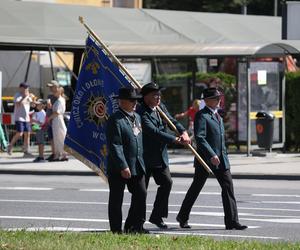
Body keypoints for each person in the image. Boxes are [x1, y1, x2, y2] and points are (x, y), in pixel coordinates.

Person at [176, 88, 247, 230]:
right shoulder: (202, 115)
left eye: (219, 97)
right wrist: (211, 154)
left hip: (221, 159)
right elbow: (200, 138)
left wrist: (223, 155)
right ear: (207, 101)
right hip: (206, 159)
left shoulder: (217, 115)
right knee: (196, 188)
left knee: (228, 187)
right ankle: (182, 216)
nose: (219, 100)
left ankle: (232, 221)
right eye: (216, 98)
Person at [138, 82, 190, 229]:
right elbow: (153, 131)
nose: (158, 97)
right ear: (146, 97)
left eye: (159, 94)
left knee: (167, 182)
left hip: (160, 156)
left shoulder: (160, 108)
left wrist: (183, 132)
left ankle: (157, 216)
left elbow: (171, 121)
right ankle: (138, 222)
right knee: (142, 190)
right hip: (145, 157)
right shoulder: (141, 112)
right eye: (155, 94)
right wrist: (174, 139)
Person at [106, 87, 148, 234]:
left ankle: (132, 226)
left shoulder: (137, 117)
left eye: (136, 100)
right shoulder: (115, 119)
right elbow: (115, 145)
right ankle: (116, 230)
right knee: (117, 199)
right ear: (122, 102)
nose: (135, 103)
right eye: (132, 100)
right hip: (119, 167)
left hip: (137, 164)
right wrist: (123, 166)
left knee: (141, 194)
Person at [7, 82, 34, 156]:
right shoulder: (17, 95)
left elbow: (32, 104)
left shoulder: (28, 95)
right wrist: (24, 96)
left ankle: (26, 150)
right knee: (20, 133)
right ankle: (10, 146)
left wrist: (33, 99)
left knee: (27, 134)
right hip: (19, 118)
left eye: (27, 88)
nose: (26, 89)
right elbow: (18, 104)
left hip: (27, 118)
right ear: (21, 88)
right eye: (25, 88)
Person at [47, 86, 68, 161]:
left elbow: (57, 112)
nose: (54, 93)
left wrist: (49, 118)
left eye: (56, 92)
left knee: (59, 136)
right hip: (57, 119)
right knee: (58, 137)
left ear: (59, 92)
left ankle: (61, 154)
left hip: (57, 119)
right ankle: (61, 154)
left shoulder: (60, 100)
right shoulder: (58, 100)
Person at [45, 80, 59, 161]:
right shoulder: (49, 96)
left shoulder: (59, 96)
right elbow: (48, 106)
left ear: (56, 87)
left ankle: (58, 153)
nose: (50, 88)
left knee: (57, 137)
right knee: (51, 137)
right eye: (49, 87)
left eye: (51, 86)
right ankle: (54, 153)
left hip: (55, 119)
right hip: (50, 119)